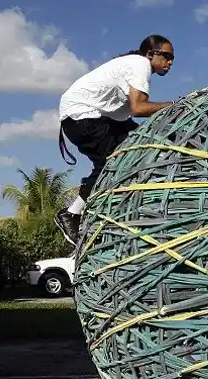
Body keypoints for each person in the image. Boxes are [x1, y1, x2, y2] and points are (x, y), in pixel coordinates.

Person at [55, 34, 176, 246]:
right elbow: (139, 108)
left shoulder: (132, 66)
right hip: (82, 117)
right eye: (166, 56)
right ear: (150, 54)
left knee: (144, 144)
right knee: (112, 164)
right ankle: (71, 214)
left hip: (99, 117)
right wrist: (175, 105)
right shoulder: (140, 64)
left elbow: (130, 114)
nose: (170, 61)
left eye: (172, 57)